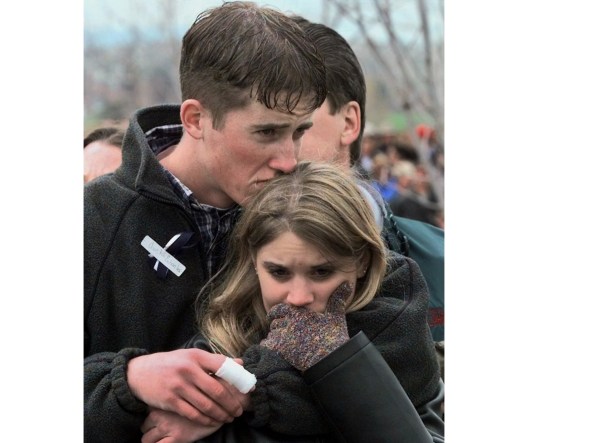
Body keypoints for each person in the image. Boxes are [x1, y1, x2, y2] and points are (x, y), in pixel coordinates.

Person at [85, 3, 442, 441]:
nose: (289, 160)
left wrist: (238, 391)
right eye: (267, 133)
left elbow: (398, 361)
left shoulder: (309, 204)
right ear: (196, 119)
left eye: (298, 132)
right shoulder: (92, 224)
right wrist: (129, 380)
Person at [140, 162, 443, 442]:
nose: (299, 298)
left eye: (322, 272)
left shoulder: (397, 324)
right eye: (279, 273)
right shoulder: (221, 332)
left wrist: (243, 394)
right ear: (253, 260)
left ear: (362, 262)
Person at [292, 16, 445, 341]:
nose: (277, 147)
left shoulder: (438, 262)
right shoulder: (225, 256)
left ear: (349, 123)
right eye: (263, 127)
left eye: (297, 123)